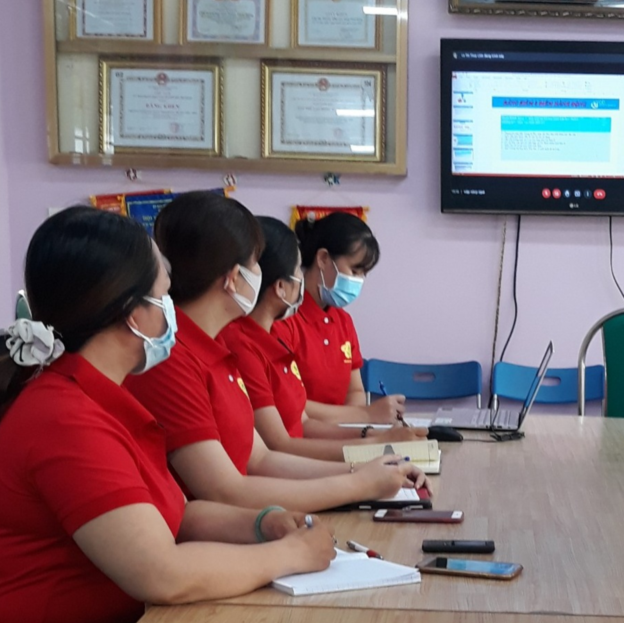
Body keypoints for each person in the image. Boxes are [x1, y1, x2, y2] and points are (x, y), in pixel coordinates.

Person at [0, 208, 336, 623]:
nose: (173, 312)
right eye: (164, 296)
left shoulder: (102, 397)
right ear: (132, 314)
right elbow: (162, 573)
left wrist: (262, 524)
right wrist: (289, 555)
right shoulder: (63, 418)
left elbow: (176, 514)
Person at [123, 192, 426, 511]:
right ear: (233, 278)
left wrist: (367, 470)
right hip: (232, 526)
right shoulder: (171, 360)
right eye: (256, 262)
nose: (263, 273)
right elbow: (224, 490)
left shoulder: (218, 348)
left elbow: (261, 459)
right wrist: (358, 482)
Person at [218, 216, 423, 460]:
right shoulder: (256, 336)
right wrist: (371, 443)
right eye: (355, 270)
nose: (359, 280)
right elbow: (277, 447)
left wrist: (371, 437)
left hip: (317, 449)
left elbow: (303, 422)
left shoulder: (334, 322)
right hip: (299, 460)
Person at [277, 212, 405, 423]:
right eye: (354, 271)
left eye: (364, 274)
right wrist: (365, 415)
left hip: (341, 433)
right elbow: (290, 403)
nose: (359, 281)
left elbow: (355, 391)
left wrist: (352, 425)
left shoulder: (343, 321)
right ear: (323, 258)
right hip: (300, 435)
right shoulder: (283, 318)